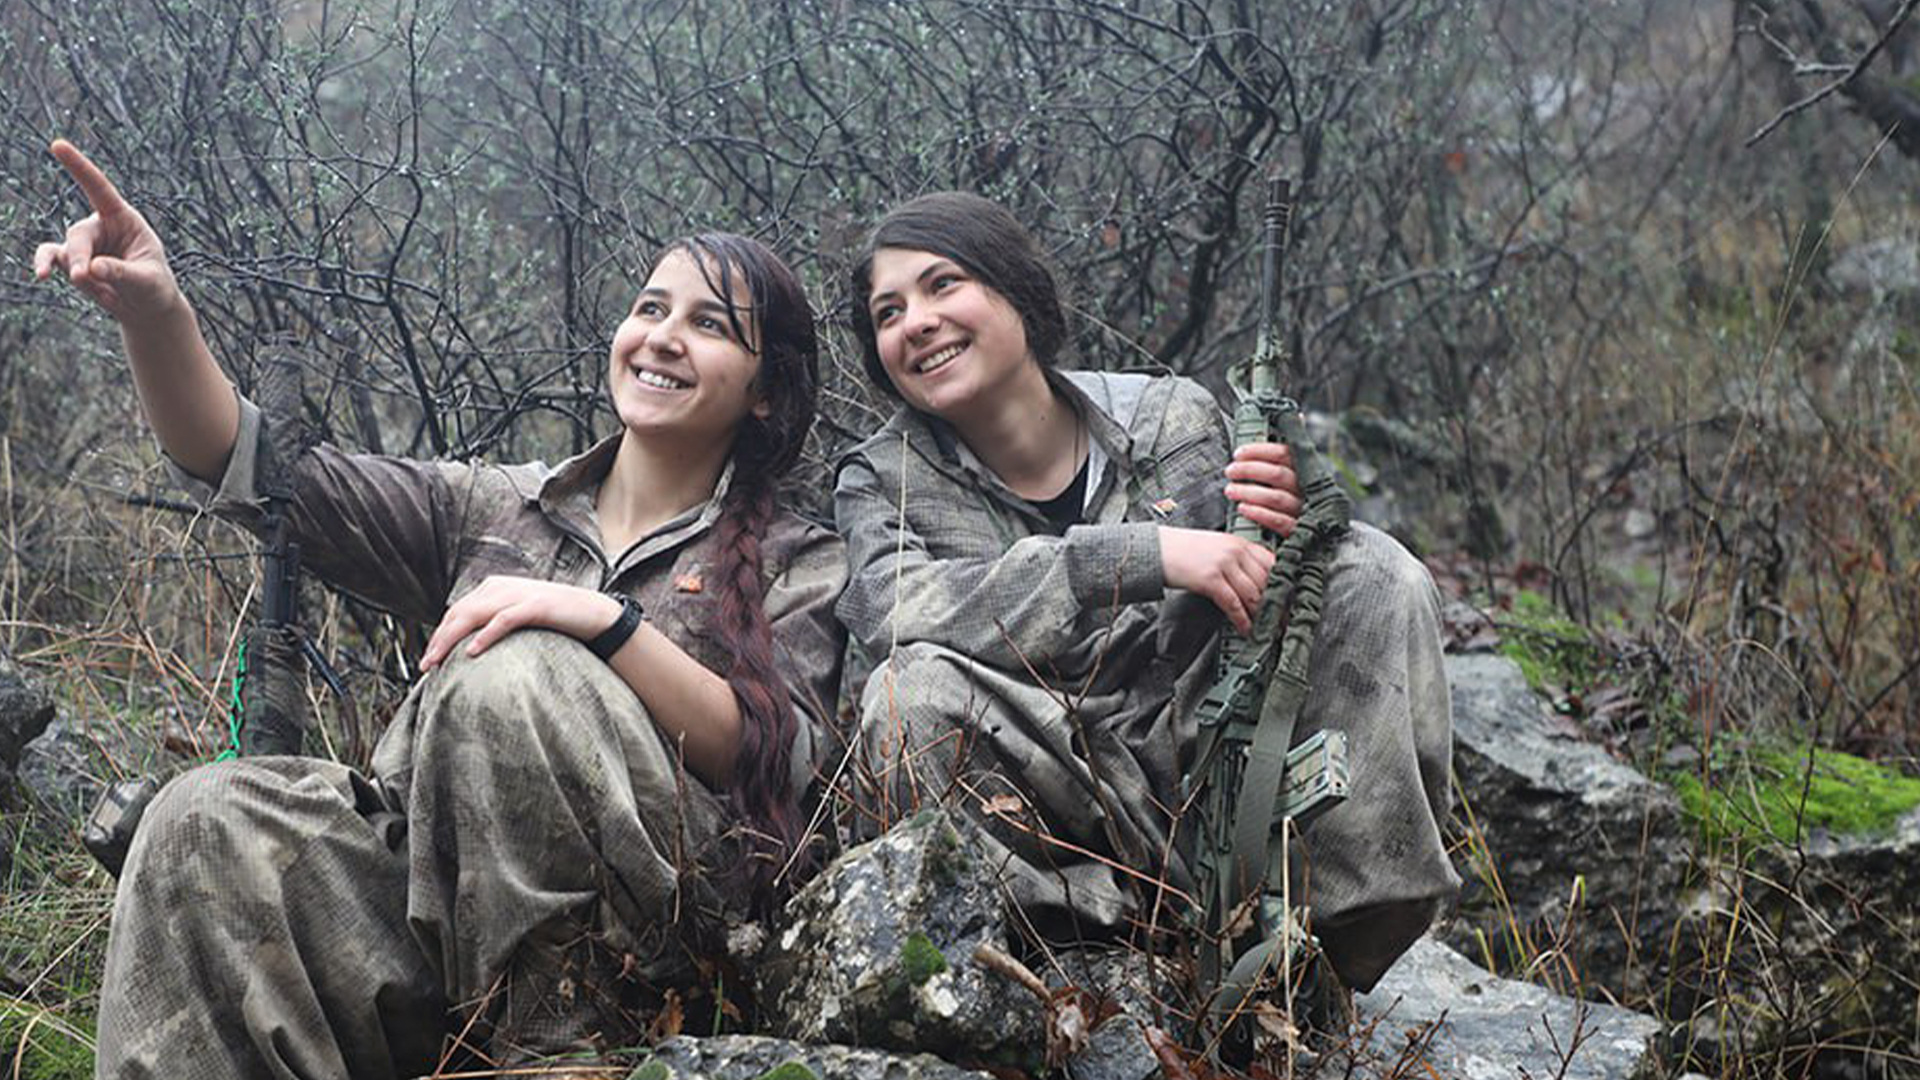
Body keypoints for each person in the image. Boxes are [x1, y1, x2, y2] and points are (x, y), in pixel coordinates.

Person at [33, 140, 846, 1077]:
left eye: (708, 324)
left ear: (765, 391)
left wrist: (600, 622)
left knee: (515, 666)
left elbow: (775, 756)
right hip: (434, 923)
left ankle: (554, 1056)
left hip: (653, 946)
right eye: (651, 308)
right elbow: (250, 468)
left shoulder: (799, 559)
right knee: (200, 818)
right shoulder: (493, 507)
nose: (663, 336)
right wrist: (157, 316)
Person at [836, 191, 1458, 1002]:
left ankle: (1325, 950)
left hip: (1215, 771)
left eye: (942, 284)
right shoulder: (880, 477)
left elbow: (1275, 588)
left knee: (1374, 569)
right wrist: (1133, 558)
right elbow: (892, 606)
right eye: (887, 312)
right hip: (1060, 794)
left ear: (1016, 290)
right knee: (906, 692)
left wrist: (1300, 509)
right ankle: (1066, 970)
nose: (915, 323)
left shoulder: (1171, 416)